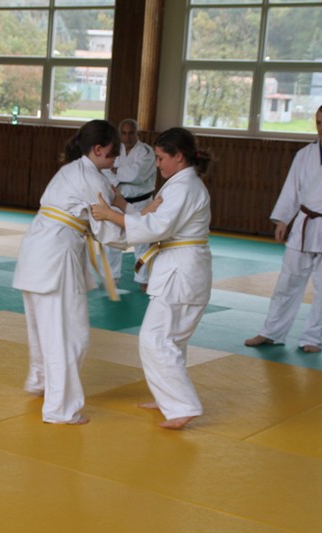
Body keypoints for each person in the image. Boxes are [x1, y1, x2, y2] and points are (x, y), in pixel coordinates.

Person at [91, 127, 212, 430]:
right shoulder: (179, 184)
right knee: (172, 341)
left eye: (160, 158)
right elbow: (151, 218)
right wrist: (121, 205)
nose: (157, 165)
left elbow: (156, 228)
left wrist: (110, 215)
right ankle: (168, 398)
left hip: (181, 271)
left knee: (155, 339)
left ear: (178, 156)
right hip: (181, 269)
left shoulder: (185, 187)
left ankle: (182, 405)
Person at [12, 120, 127, 425]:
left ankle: (40, 381)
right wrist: (144, 226)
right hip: (57, 257)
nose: (117, 157)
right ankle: (60, 409)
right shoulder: (94, 179)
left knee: (43, 328)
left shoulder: (71, 170)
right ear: (98, 149)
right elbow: (109, 233)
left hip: (37, 250)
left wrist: (124, 208)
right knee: (69, 334)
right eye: (114, 151)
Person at [245, 102, 322, 353]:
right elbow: (292, 188)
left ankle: (312, 338)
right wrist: (283, 219)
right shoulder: (304, 154)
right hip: (304, 225)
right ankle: (271, 332)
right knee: (287, 282)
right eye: (319, 123)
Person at [102, 119, 157, 291]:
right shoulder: (114, 150)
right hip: (117, 201)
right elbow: (105, 171)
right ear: (120, 134)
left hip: (141, 203)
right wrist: (119, 173)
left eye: (131, 133)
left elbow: (136, 175)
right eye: (124, 133)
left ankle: (143, 279)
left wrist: (117, 171)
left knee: (142, 242)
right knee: (112, 239)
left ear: (137, 133)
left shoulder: (146, 151)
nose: (128, 137)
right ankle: (111, 277)